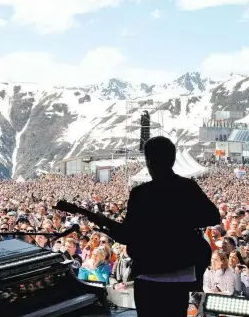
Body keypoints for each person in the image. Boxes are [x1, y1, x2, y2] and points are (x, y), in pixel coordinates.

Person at [55, 136, 219, 317]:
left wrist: (93, 217)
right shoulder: (187, 186)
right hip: (183, 275)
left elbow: (126, 235)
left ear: (148, 161)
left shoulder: (141, 194)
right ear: (172, 160)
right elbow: (213, 216)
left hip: (149, 276)